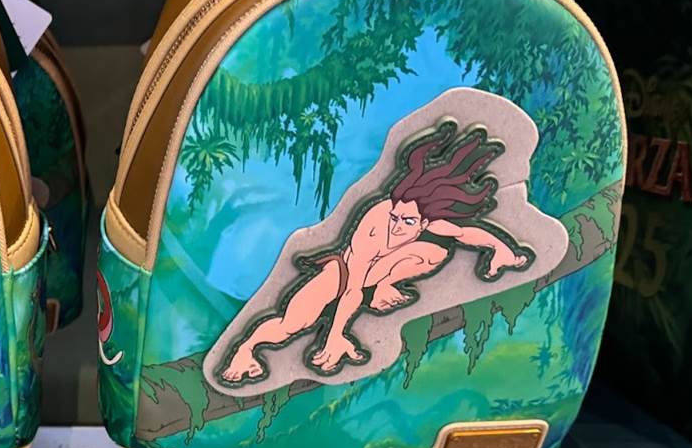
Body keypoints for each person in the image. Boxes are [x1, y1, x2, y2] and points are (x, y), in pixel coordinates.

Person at [219, 122, 531, 384]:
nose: (396, 227)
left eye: (407, 222)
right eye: (395, 217)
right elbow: (352, 288)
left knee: (428, 253)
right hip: (344, 275)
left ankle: (378, 291)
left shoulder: (433, 229)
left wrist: (502, 249)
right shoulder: (374, 223)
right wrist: (334, 336)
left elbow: (467, 232)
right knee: (291, 324)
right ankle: (244, 352)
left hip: (379, 276)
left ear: (424, 222)